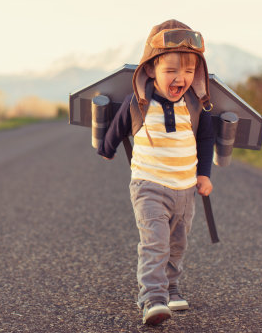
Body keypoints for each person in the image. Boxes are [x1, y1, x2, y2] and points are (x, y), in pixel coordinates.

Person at [97, 19, 215, 326]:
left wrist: (204, 175)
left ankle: (171, 288)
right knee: (155, 242)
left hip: (185, 189)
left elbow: (205, 138)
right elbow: (118, 127)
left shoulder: (195, 104)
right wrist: (106, 149)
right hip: (149, 186)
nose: (181, 78)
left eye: (189, 71)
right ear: (151, 69)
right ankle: (152, 297)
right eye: (171, 71)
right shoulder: (139, 102)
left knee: (177, 244)